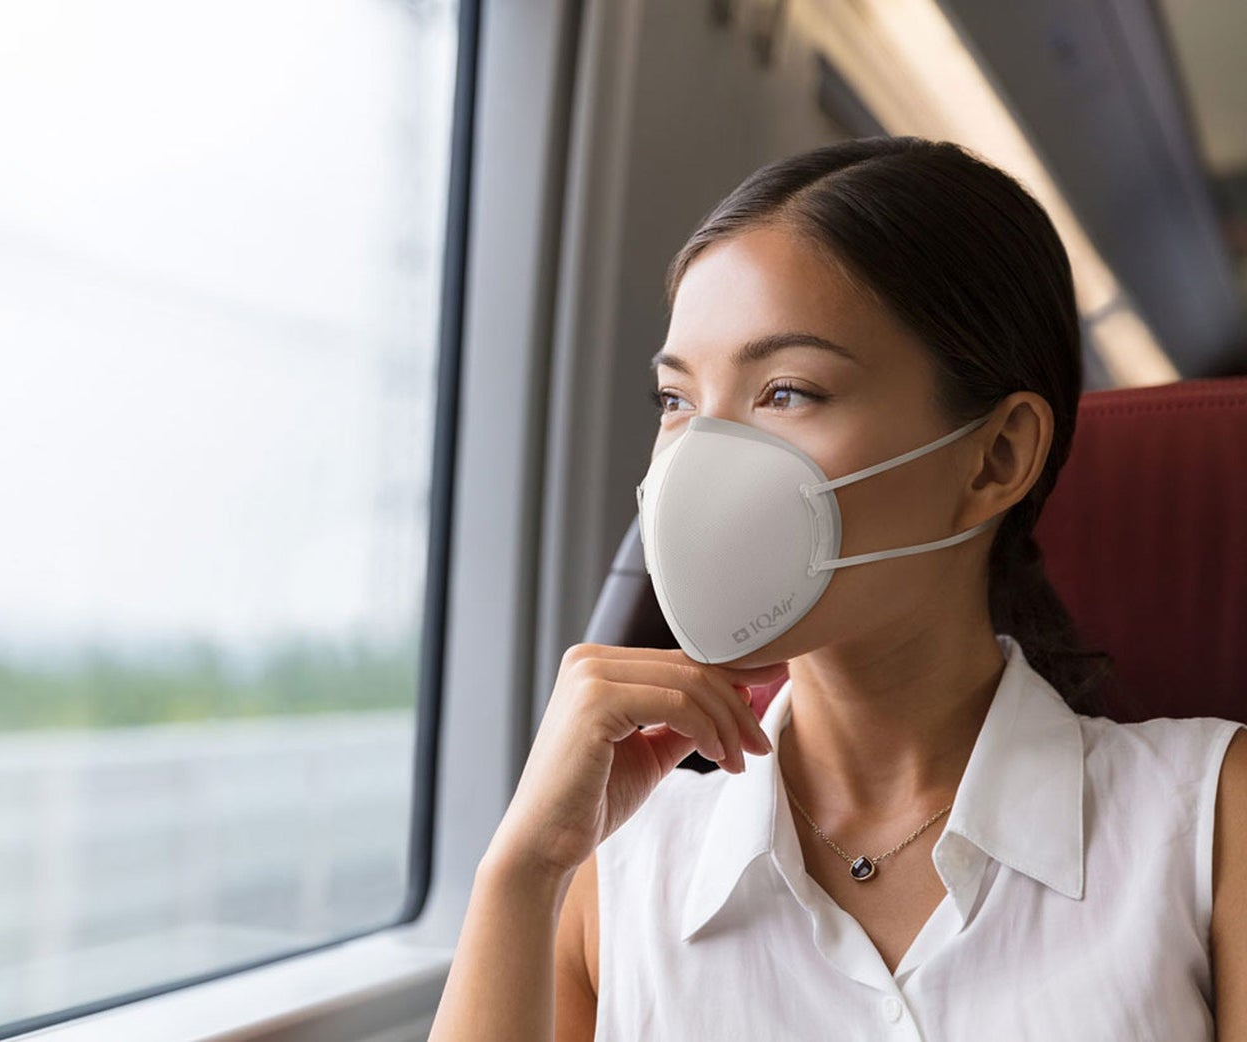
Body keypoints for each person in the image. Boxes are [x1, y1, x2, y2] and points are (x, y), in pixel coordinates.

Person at [427, 136, 1247, 1040]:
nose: (704, 460)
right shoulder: (610, 867)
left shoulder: (1210, 820)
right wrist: (521, 870)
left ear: (996, 456)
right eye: (676, 401)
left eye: (785, 392)